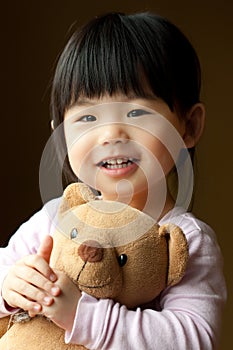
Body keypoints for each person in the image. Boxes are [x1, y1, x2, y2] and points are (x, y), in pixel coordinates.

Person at [0, 12, 226, 349]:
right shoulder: (54, 218)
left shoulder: (186, 241)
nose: (110, 134)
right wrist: (10, 287)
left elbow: (195, 338)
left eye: (136, 113)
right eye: (88, 117)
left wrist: (82, 315)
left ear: (188, 127)